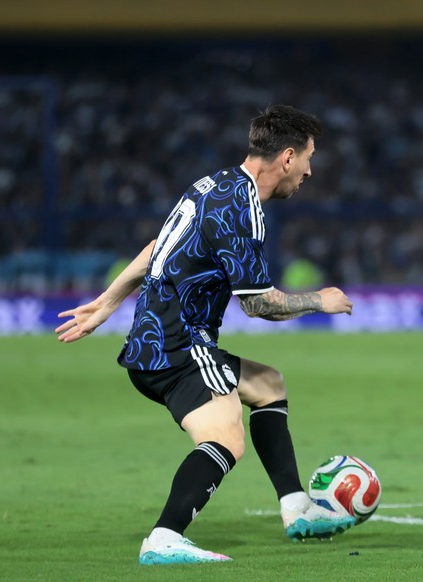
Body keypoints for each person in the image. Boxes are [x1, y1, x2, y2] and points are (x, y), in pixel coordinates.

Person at [55, 105, 358, 565]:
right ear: (289, 157)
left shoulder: (212, 184)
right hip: (179, 345)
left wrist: (108, 302)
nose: (311, 171)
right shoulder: (244, 209)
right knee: (226, 436)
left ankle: (297, 509)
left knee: (269, 385)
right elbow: (257, 304)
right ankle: (164, 537)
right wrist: (320, 301)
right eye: (310, 159)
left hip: (156, 340)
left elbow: (158, 246)